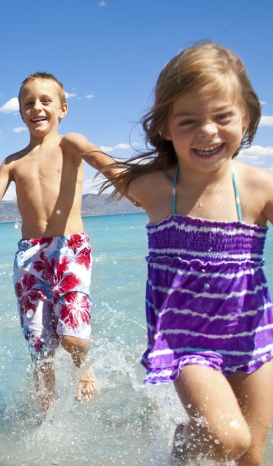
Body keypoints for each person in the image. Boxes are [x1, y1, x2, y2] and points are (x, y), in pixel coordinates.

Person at [104, 41, 273, 464]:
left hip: (252, 335)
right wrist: (70, 144)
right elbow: (107, 167)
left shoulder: (259, 188)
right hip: (185, 338)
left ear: (247, 116)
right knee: (227, 438)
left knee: (251, 456)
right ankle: (181, 452)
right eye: (189, 120)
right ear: (164, 127)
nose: (208, 131)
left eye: (222, 116)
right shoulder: (159, 188)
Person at [0, 72, 123, 411]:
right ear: (20, 112)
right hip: (29, 256)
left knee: (72, 337)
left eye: (45, 101)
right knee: (40, 345)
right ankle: (44, 412)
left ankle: (82, 365)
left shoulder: (70, 143)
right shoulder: (13, 161)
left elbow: (103, 162)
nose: (37, 108)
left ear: (62, 108)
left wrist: (134, 184)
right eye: (28, 103)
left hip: (70, 248)